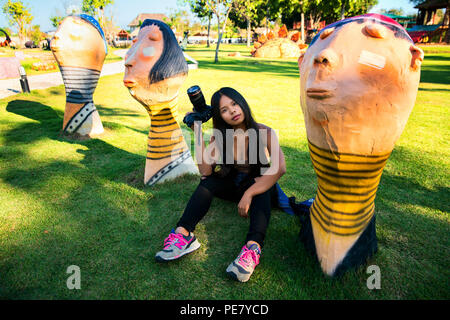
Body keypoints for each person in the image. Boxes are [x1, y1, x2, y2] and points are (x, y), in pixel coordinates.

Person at [155, 87, 287, 282]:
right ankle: (183, 235)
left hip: (259, 184)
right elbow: (206, 171)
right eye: (224, 110)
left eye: (234, 104)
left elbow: (279, 168)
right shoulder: (221, 137)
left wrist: (249, 194)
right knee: (208, 183)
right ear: (219, 115)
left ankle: (252, 249)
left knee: (261, 189)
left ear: (242, 103)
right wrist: (197, 130)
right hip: (234, 183)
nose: (232, 111)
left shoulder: (264, 131)